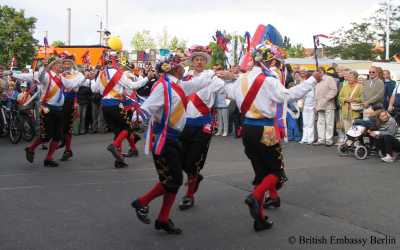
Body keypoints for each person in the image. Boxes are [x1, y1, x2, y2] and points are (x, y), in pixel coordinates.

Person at [219, 41, 322, 231]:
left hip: (247, 130)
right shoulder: (269, 80)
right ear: (269, 60)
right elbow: (290, 95)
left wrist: (226, 77)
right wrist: (313, 80)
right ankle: (256, 196)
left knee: (260, 171)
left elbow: (228, 92)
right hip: (265, 130)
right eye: (275, 60)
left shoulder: (241, 79)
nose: (277, 64)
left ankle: (262, 216)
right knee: (276, 171)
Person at [130, 54, 215, 235]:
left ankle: (163, 218)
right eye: (182, 65)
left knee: (171, 180)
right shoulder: (163, 87)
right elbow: (146, 108)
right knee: (174, 180)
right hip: (164, 140)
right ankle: (141, 202)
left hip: (173, 138)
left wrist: (216, 74)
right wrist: (137, 118)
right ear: (176, 69)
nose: (185, 67)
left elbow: (197, 84)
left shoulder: (177, 85)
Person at [178, 45, 225, 210]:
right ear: (192, 61)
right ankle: (195, 178)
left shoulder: (211, 76)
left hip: (203, 124)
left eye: (202, 59)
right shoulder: (184, 76)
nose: (199, 62)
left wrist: (209, 82)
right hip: (184, 124)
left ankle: (189, 195)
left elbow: (220, 85)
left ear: (205, 62)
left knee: (194, 161)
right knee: (182, 161)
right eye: (196, 59)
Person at [15, 57, 81, 167]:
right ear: (52, 66)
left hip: (59, 109)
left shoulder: (62, 77)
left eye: (61, 64)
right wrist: (43, 66)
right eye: (59, 64)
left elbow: (74, 84)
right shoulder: (46, 76)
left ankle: (48, 158)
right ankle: (30, 149)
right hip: (48, 109)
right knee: (46, 136)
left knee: (58, 136)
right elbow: (40, 77)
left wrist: (78, 73)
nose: (61, 66)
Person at [91, 57, 153, 168]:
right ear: (116, 64)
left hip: (104, 106)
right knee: (127, 128)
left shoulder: (101, 74)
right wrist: (147, 78)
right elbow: (133, 86)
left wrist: (91, 78)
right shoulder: (119, 73)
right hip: (115, 105)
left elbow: (95, 89)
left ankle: (119, 160)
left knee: (118, 131)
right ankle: (114, 146)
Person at [59, 58, 85, 161]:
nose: (66, 65)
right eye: (65, 63)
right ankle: (64, 145)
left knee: (67, 127)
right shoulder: (59, 73)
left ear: (72, 64)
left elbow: (76, 87)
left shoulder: (77, 74)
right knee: (59, 125)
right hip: (58, 102)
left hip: (69, 101)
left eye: (68, 63)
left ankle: (67, 150)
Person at [314, 68, 338, 146]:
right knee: (320, 122)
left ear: (322, 72)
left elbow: (334, 90)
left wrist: (326, 98)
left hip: (328, 104)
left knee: (329, 123)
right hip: (319, 104)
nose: (316, 75)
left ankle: (329, 140)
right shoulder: (317, 80)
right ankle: (321, 139)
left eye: (318, 73)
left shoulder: (329, 79)